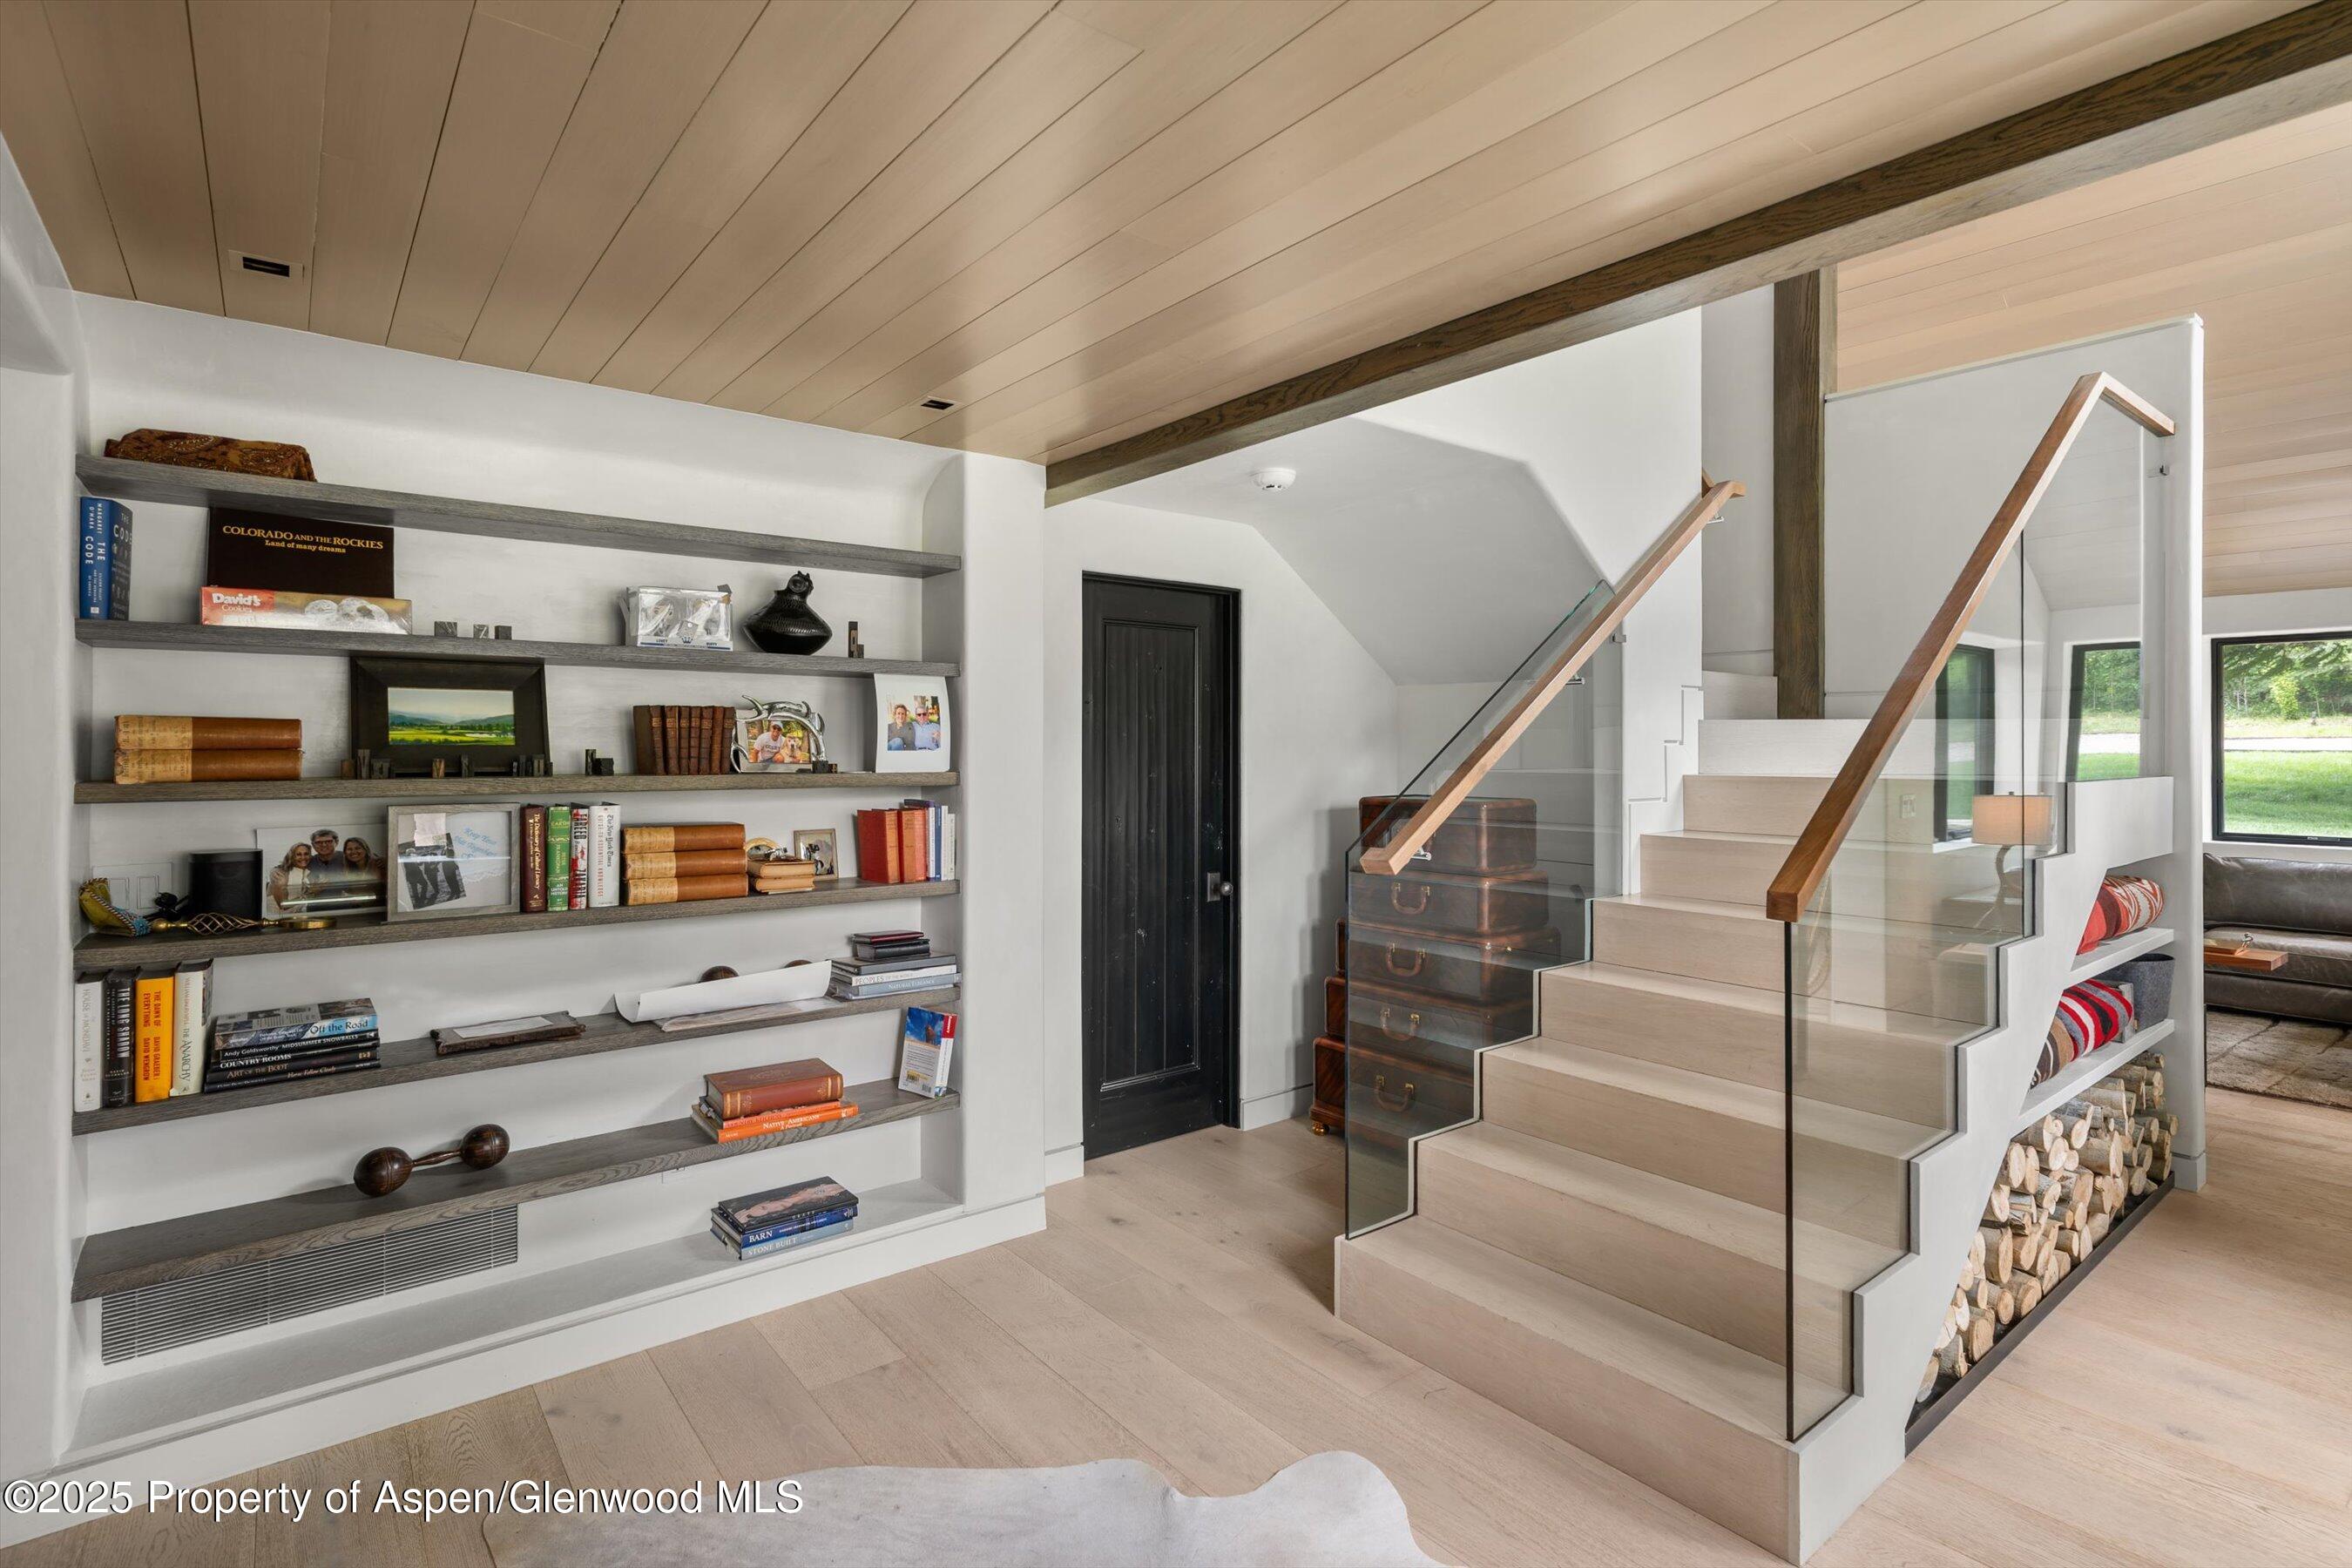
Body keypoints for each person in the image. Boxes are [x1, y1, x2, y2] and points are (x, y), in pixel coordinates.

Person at [267, 842, 313, 913]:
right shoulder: (279, 873)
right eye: (298, 854)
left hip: (295, 913)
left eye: (306, 854)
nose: (303, 857)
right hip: (276, 914)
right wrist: (308, 896)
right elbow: (283, 905)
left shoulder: (308, 871)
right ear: (292, 856)